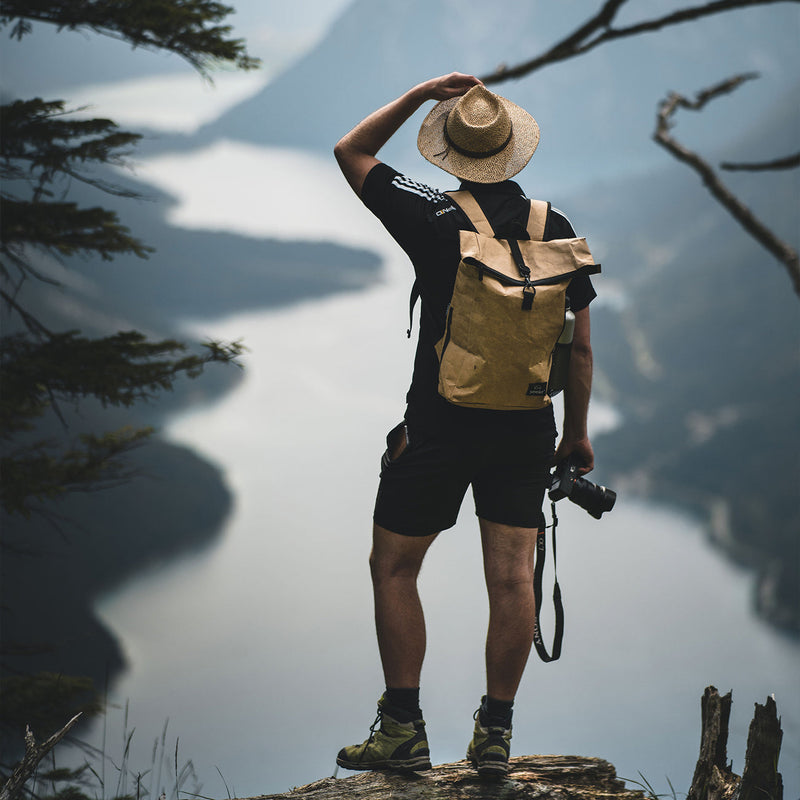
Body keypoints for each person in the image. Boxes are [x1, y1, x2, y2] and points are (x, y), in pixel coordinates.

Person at [332, 72, 597, 779]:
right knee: (512, 581)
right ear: (513, 151)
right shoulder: (557, 228)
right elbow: (580, 344)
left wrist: (421, 94)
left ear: (449, 154)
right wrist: (576, 434)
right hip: (526, 426)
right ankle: (495, 737)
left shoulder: (431, 217)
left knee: (393, 567)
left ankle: (401, 729)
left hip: (439, 425)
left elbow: (351, 150)